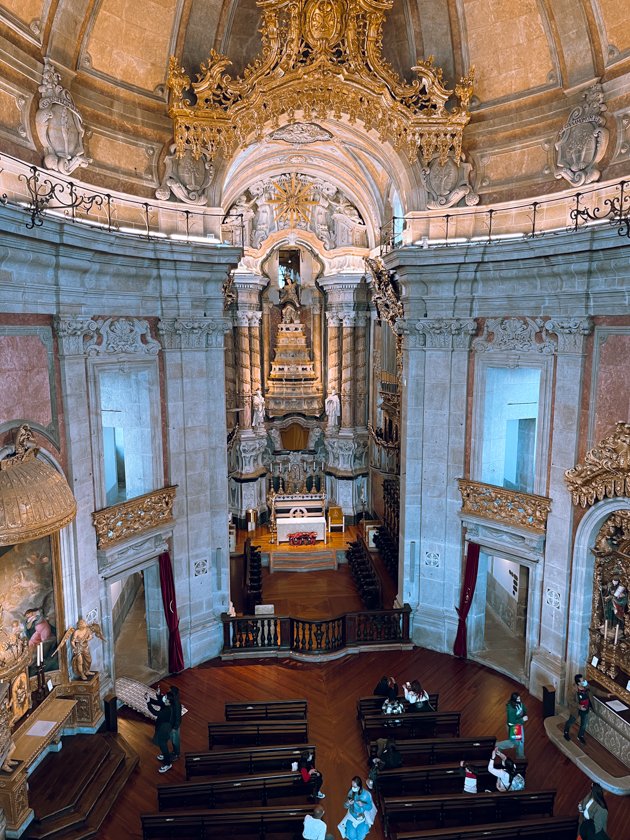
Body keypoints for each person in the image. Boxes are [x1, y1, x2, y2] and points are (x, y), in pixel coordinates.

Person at [564, 673, 610, 745]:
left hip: (585, 708)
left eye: (584, 680)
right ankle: (566, 732)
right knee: (571, 721)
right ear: (578, 683)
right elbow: (570, 700)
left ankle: (580, 736)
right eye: (582, 681)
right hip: (576, 709)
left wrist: (606, 694)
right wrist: (579, 706)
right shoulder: (572, 690)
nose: (584, 681)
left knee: (584, 724)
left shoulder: (587, 686)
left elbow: (595, 691)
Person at [147, 688, 173, 773]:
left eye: (166, 697)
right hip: (162, 726)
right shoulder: (167, 704)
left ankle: (168, 763)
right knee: (162, 744)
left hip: (164, 728)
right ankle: (165, 755)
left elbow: (155, 713)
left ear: (169, 702)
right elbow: (160, 702)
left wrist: (148, 703)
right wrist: (157, 695)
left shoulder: (167, 710)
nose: (164, 697)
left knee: (163, 744)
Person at [495, 691, 528, 758]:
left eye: (519, 698)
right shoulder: (511, 709)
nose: (520, 700)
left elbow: (523, 708)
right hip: (514, 726)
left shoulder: (519, 703)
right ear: (514, 699)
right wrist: (522, 719)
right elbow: (511, 721)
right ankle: (497, 745)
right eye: (518, 699)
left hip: (519, 724)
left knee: (520, 741)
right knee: (514, 743)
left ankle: (520, 756)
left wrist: (524, 712)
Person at [167, 685, 182, 760]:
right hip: (171, 725)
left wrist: (175, 727)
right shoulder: (173, 701)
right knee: (173, 740)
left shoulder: (176, 704)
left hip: (174, 726)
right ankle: (174, 752)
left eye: (169, 690)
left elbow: (178, 717)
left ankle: (177, 754)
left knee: (175, 741)